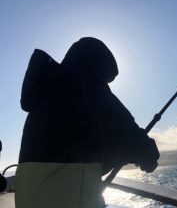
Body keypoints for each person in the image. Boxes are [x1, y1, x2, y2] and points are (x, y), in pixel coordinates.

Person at [15, 37, 160, 208]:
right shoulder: (84, 88)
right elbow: (130, 139)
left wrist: (116, 157)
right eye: (105, 79)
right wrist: (148, 156)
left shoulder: (48, 93)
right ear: (97, 68)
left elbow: (71, 155)